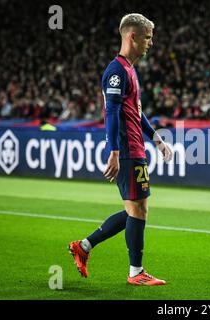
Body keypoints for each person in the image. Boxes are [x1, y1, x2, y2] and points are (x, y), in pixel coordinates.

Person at [69, 13, 173, 286]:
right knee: (138, 211)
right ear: (133, 36)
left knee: (135, 210)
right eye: (148, 37)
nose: (151, 43)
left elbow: (135, 113)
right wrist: (114, 151)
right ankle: (135, 272)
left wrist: (155, 139)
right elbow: (112, 112)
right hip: (127, 150)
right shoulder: (116, 71)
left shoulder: (129, 69)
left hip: (135, 148)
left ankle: (85, 246)